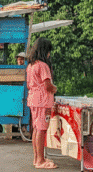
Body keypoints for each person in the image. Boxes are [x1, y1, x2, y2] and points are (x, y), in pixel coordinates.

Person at [26, 37, 57, 169]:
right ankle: (40, 160)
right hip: (43, 102)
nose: (49, 54)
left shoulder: (31, 65)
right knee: (42, 130)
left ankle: (37, 158)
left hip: (33, 99)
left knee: (36, 129)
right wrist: (55, 89)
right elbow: (47, 85)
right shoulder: (43, 66)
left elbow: (28, 84)